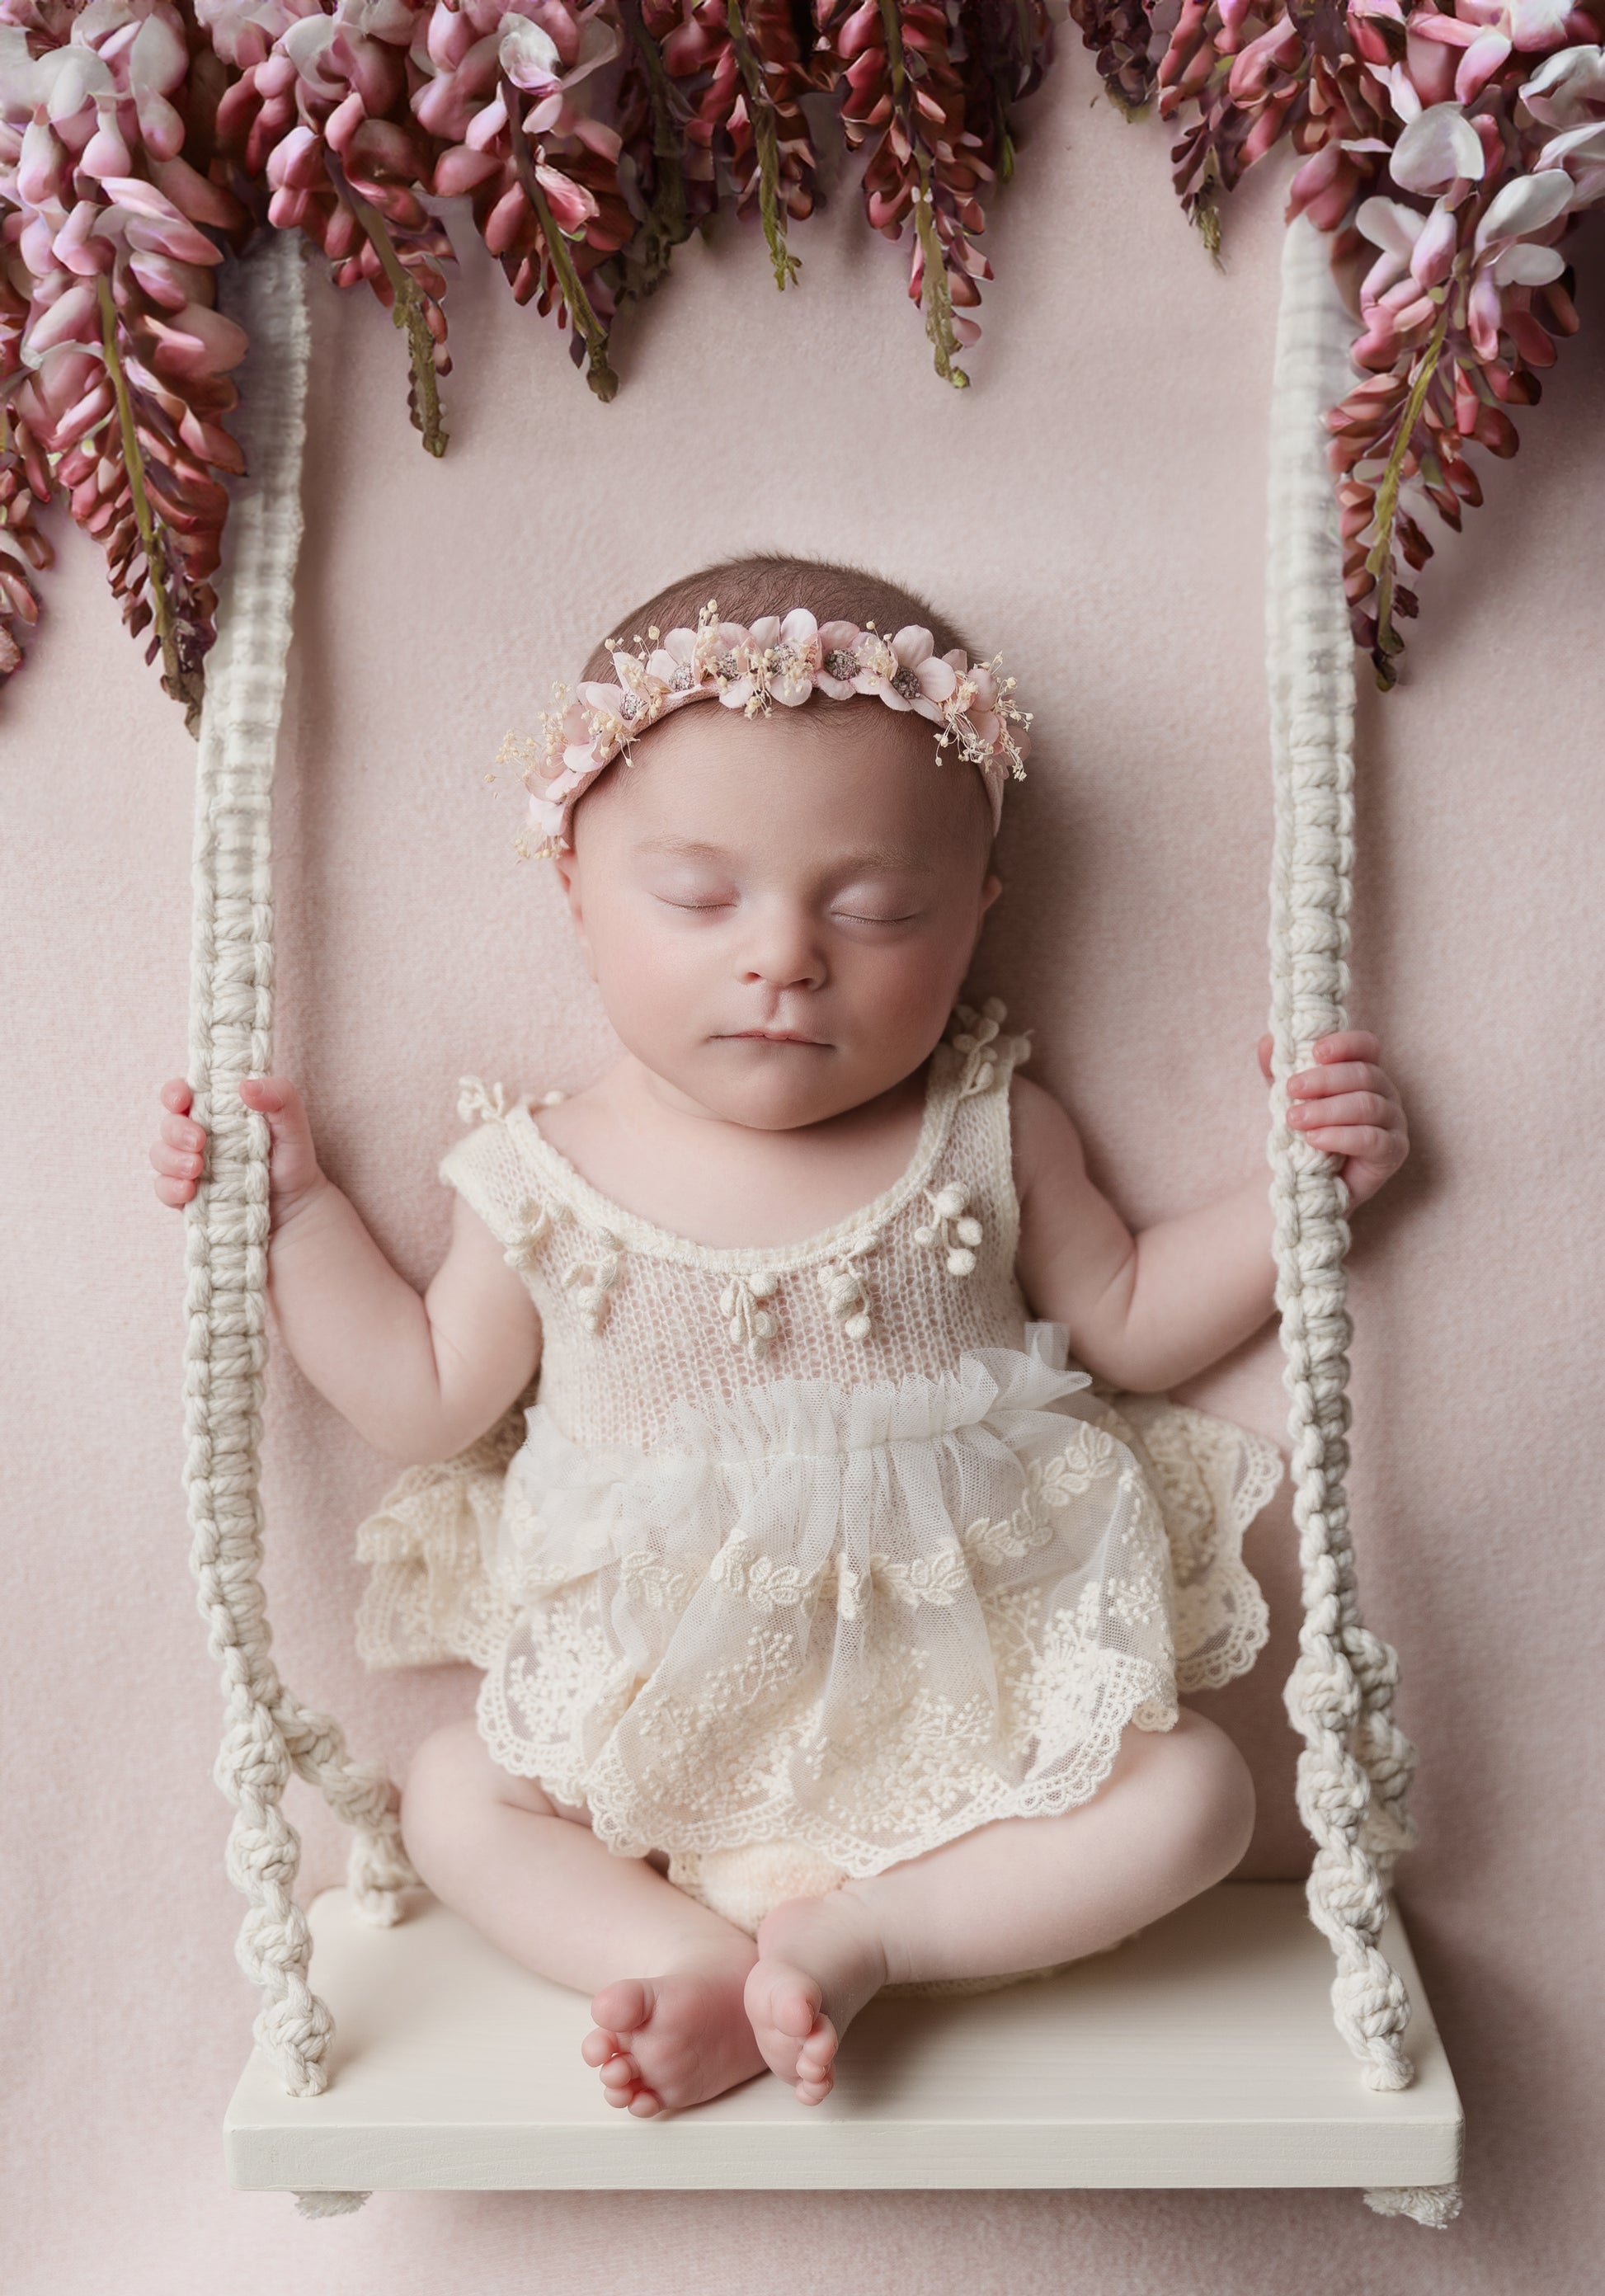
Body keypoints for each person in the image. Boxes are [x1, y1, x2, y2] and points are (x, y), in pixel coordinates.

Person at [150, 553, 1409, 2119]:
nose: (784, 955)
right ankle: (679, 1959)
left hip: (964, 1706)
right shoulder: (538, 1179)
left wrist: (1297, 1191)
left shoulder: (987, 1127)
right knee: (453, 1795)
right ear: (573, 887)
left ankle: (868, 1937)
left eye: (878, 908)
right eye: (697, 896)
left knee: (1200, 1801)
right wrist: (292, 1215)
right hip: (650, 1724)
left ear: (975, 919)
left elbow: (1134, 1319)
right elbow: (417, 1395)